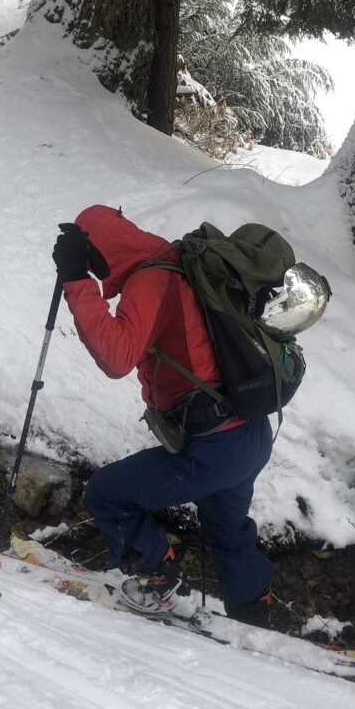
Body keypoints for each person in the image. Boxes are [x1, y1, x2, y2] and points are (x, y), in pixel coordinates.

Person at [52, 205, 277, 627]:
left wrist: (76, 281)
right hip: (248, 433)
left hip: (214, 446)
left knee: (107, 493)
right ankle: (254, 612)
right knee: (226, 530)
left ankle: (160, 583)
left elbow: (117, 357)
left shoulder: (151, 279)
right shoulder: (180, 260)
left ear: (97, 253)